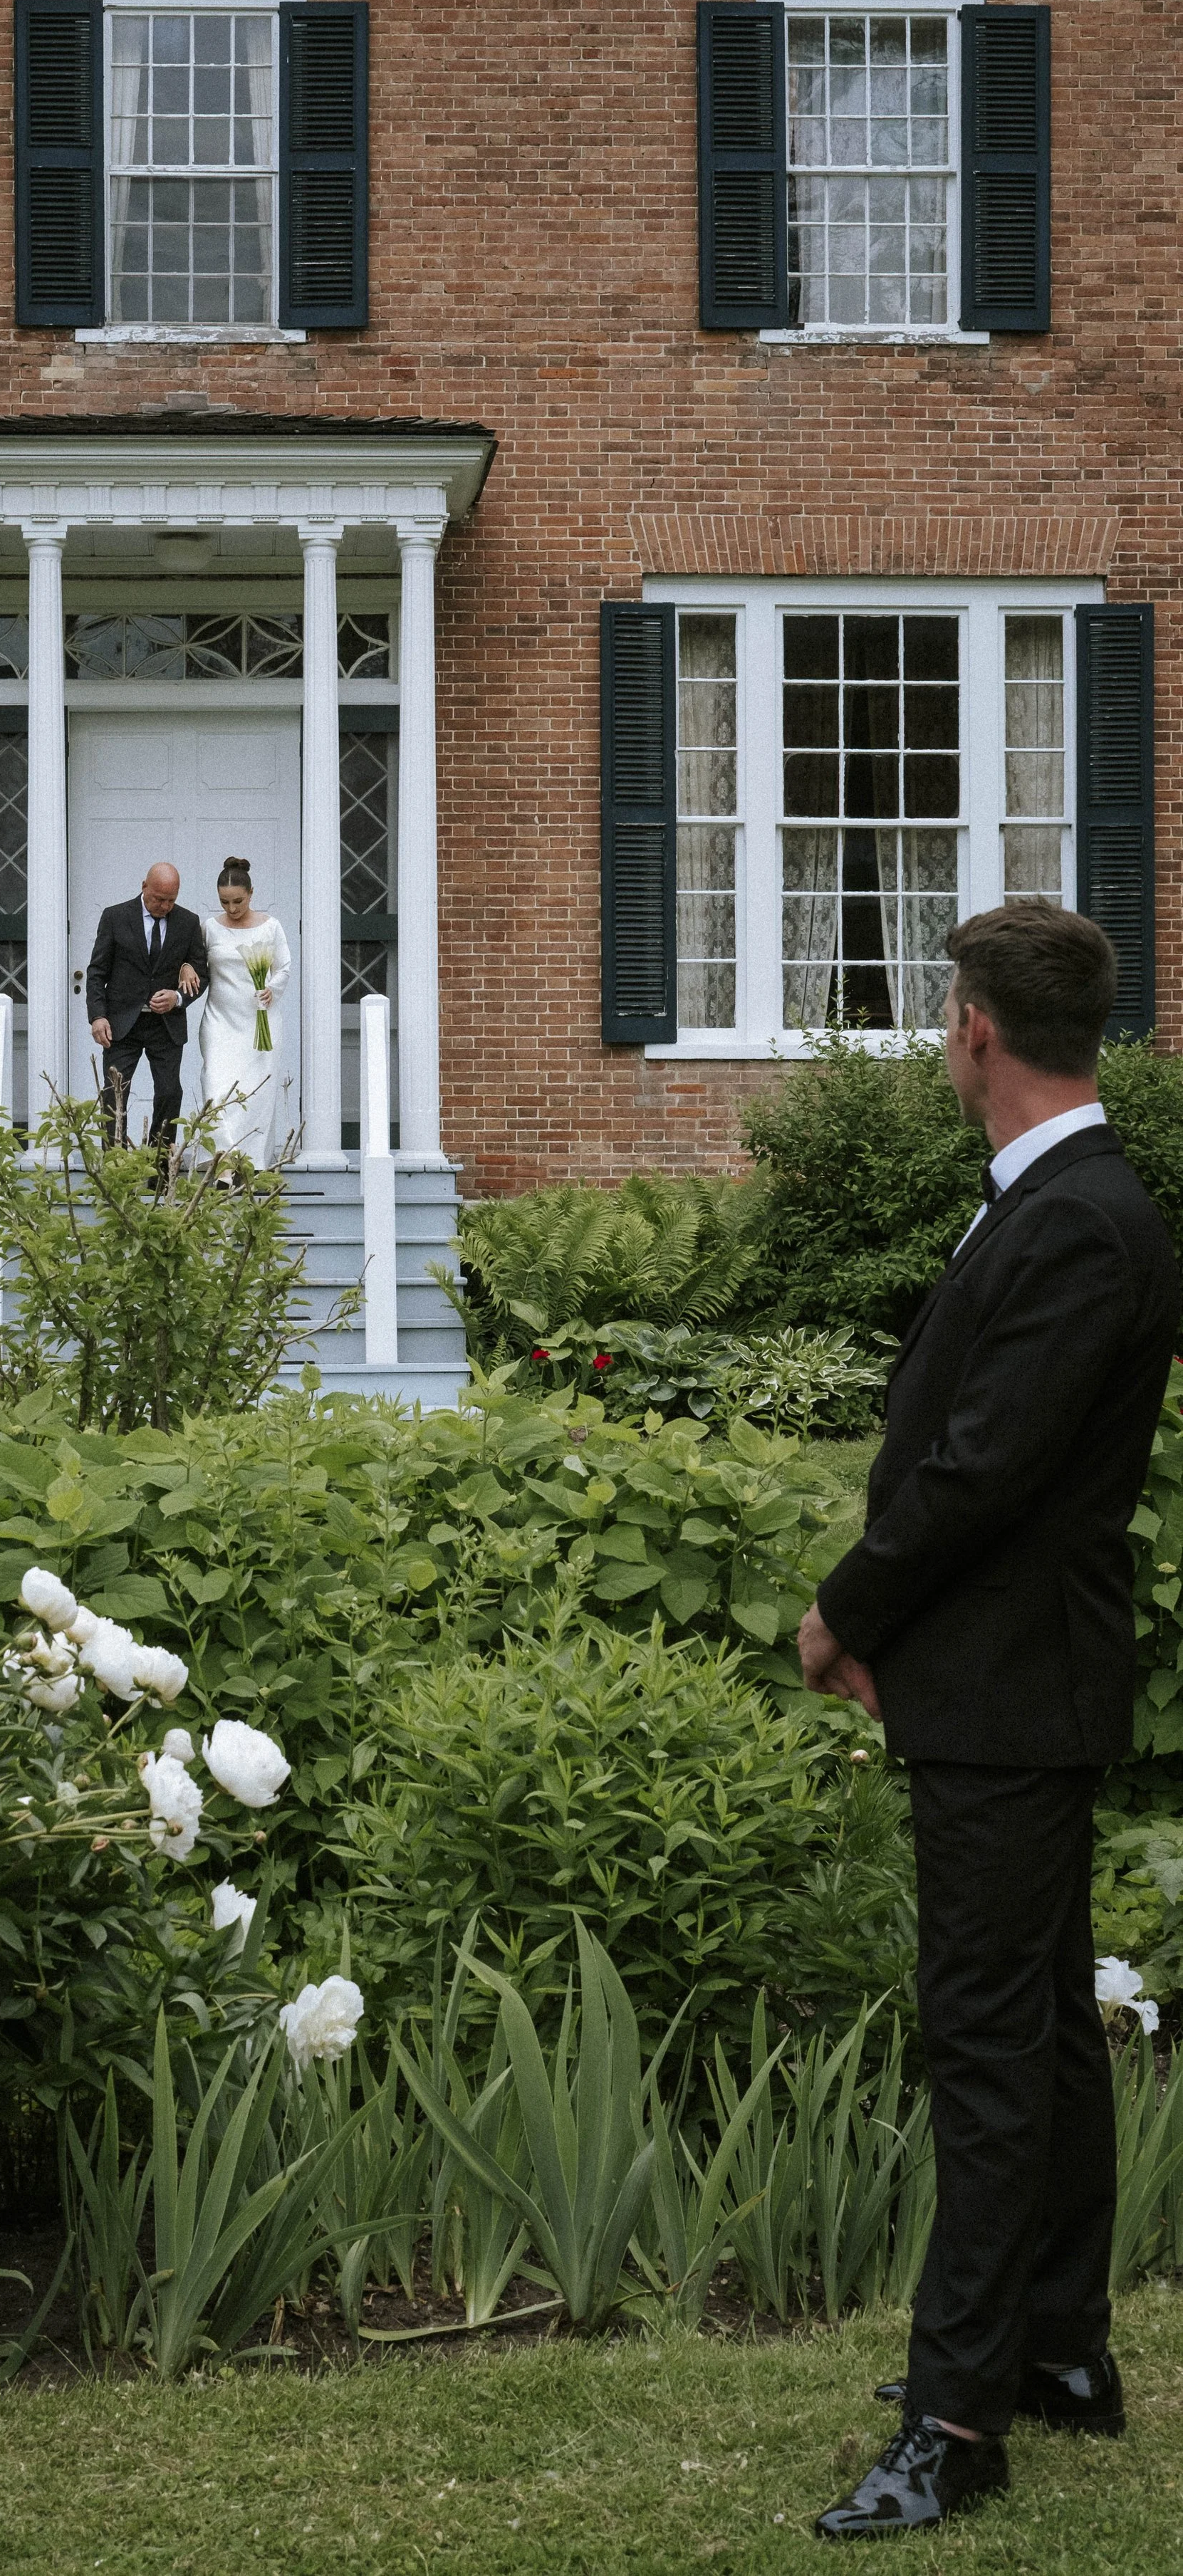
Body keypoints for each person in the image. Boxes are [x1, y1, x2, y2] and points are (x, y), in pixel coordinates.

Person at [800, 901, 1179, 2543]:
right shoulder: (1060, 1201)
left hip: (1009, 1687)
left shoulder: (1080, 1220)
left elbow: (980, 1470)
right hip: (1009, 1676)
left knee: (984, 2041)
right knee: (1032, 2013)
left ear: (974, 1028)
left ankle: (956, 2417)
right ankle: (1063, 2351)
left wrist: (848, 1607)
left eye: (946, 1006)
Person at [84, 861, 208, 1148]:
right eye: (158, 899)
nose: (164, 906)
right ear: (144, 887)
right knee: (115, 1096)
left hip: (165, 1027)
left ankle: (161, 1170)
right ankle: (115, 1169)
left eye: (171, 901)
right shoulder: (115, 917)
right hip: (121, 1026)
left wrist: (177, 998)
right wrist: (97, 1016)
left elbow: (202, 972)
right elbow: (97, 972)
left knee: (169, 1093)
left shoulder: (188, 923)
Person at [195, 855, 292, 1169]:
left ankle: (250, 1163)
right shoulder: (210, 928)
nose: (232, 909)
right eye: (225, 902)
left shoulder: (271, 927)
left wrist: (272, 989)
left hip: (259, 1022)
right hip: (220, 1022)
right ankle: (221, 1161)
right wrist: (185, 967)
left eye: (238, 901)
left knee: (255, 1093)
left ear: (251, 893)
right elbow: (195, 963)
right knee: (216, 1086)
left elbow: (284, 968)